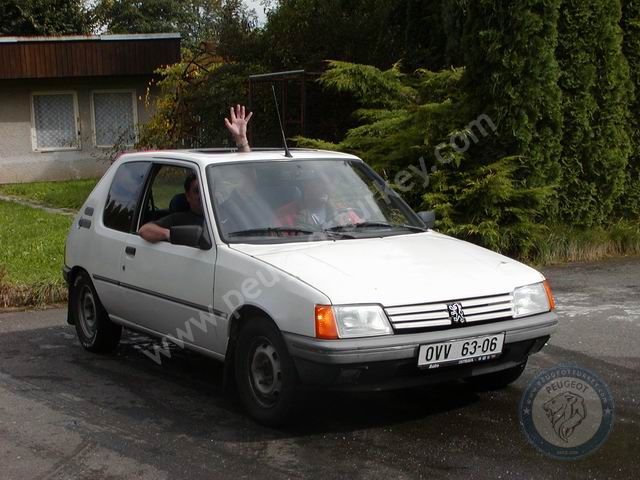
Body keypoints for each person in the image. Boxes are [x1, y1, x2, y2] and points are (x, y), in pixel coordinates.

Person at [138, 104, 252, 243]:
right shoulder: (179, 219)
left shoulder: (228, 211)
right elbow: (145, 230)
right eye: (197, 191)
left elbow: (249, 179)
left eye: (208, 190)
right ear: (187, 196)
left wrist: (242, 141)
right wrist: (172, 234)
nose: (203, 195)